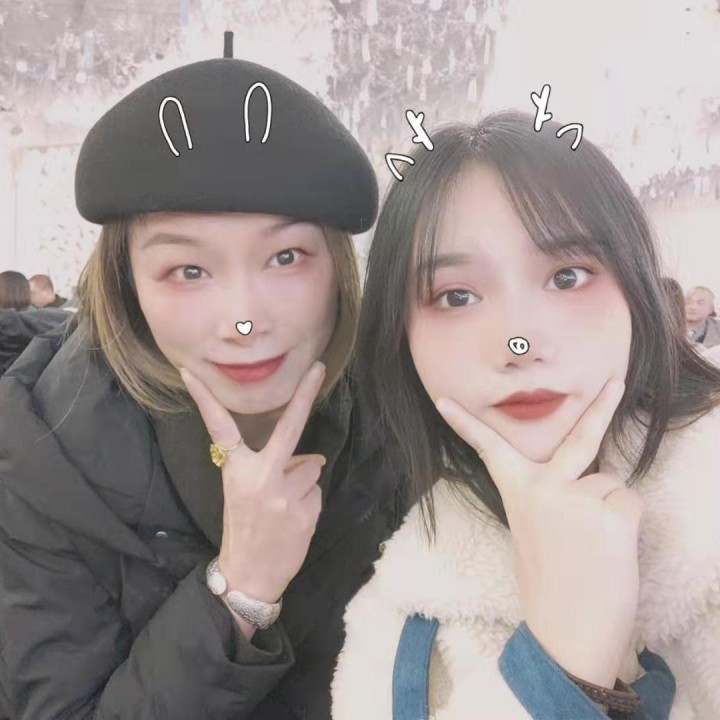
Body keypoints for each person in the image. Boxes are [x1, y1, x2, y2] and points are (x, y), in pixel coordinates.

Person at [0, 36, 403, 720]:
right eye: (188, 270)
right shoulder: (42, 453)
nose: (243, 320)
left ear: (339, 268)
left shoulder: (407, 414)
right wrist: (238, 592)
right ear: (129, 286)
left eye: (285, 257)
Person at [332, 112, 720, 719]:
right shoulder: (395, 627)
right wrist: (557, 671)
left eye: (567, 277)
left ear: (637, 291)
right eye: (456, 296)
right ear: (401, 338)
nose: (520, 341)